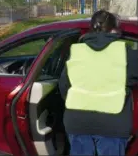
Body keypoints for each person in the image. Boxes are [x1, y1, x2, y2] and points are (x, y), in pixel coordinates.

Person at [59, 10, 138, 155]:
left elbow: (64, 86)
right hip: (113, 126)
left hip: (78, 123)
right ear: (114, 29)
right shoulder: (126, 54)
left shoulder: (75, 52)